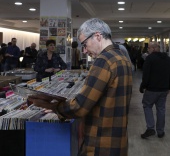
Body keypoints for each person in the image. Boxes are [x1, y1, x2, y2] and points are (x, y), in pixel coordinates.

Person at [28, 18, 132, 156]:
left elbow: (80, 107)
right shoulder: (122, 57)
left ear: (98, 36)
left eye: (85, 44)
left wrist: (53, 105)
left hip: (100, 143)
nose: (84, 50)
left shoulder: (103, 61)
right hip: (118, 140)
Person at [140, 41, 170, 139]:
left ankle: (150, 128)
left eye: (148, 48)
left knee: (147, 106)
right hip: (164, 89)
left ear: (153, 48)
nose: (148, 50)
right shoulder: (167, 59)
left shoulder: (150, 58)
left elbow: (146, 74)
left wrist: (143, 85)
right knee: (161, 109)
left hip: (152, 89)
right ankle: (160, 131)